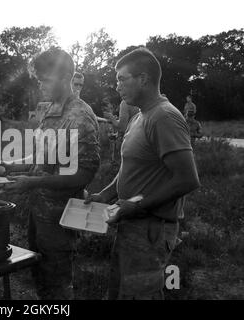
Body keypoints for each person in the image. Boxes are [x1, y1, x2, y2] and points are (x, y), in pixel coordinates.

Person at [85, 47, 200, 299]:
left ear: (143, 79)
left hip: (151, 230)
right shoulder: (140, 116)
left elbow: (188, 179)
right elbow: (132, 165)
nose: (117, 86)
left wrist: (137, 207)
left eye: (121, 79)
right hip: (132, 224)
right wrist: (104, 195)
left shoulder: (164, 117)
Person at [3, 48, 100, 299]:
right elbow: (44, 156)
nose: (41, 86)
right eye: (39, 81)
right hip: (41, 214)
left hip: (61, 217)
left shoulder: (81, 116)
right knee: (42, 280)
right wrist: (10, 166)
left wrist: (31, 183)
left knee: (57, 285)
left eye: (45, 80)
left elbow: (82, 175)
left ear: (66, 75)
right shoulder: (51, 109)